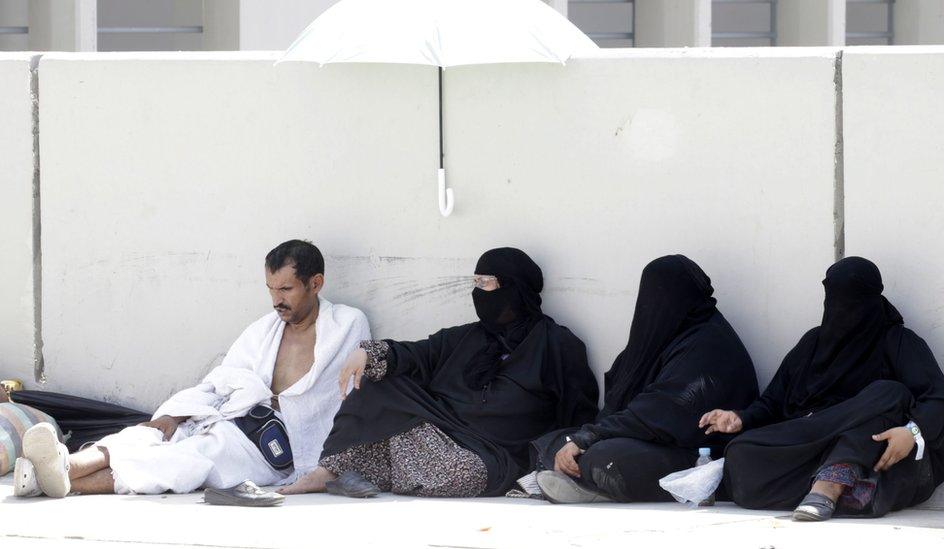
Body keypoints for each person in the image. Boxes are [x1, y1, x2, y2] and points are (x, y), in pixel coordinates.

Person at [15, 240, 370, 501]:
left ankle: (59, 478)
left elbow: (340, 399)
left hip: (274, 447)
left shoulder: (345, 327)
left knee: (185, 460)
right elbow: (221, 381)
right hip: (230, 417)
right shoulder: (264, 330)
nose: (276, 299)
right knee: (151, 434)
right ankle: (64, 464)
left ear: (316, 284)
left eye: (286, 289)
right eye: (271, 289)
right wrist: (175, 414)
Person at [278, 247, 598, 498]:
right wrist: (368, 352)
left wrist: (562, 453)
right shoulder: (467, 337)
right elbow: (417, 354)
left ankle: (372, 470)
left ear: (514, 288)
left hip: (492, 452)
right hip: (438, 425)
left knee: (464, 472)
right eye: (475, 283)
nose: (478, 292)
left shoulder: (558, 345)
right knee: (374, 379)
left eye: (486, 284)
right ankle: (329, 472)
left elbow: (577, 411)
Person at [701, 257, 944, 521]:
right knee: (741, 452)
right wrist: (741, 417)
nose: (843, 308)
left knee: (890, 393)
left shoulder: (898, 341)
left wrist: (912, 431)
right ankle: (854, 490)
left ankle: (830, 486)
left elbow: (937, 398)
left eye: (854, 298)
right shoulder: (812, 344)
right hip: (812, 440)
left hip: (869, 442)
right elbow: (773, 402)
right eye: (835, 297)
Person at [532, 255, 759, 503]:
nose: (651, 303)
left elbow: (660, 412)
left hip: (694, 451)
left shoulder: (709, 344)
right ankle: (583, 481)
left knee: (606, 457)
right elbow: (619, 401)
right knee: (554, 441)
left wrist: (589, 438)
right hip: (646, 436)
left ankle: (587, 483)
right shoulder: (660, 338)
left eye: (661, 294)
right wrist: (582, 438)